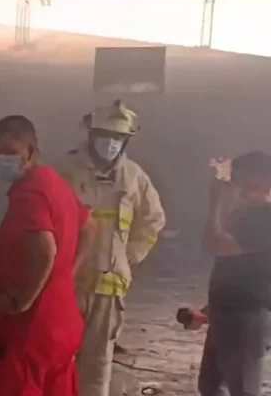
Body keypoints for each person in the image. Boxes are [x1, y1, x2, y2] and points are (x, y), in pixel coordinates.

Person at [56, 100, 165, 396]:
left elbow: (153, 220)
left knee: (96, 367)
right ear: (91, 134)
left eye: (118, 137)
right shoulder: (64, 170)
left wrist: (128, 258)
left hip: (109, 288)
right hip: (66, 284)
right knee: (56, 360)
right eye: (105, 134)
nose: (111, 142)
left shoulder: (134, 176)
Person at [0, 115, 90, 396]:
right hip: (61, 326)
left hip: (26, 333)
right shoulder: (55, 183)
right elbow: (90, 227)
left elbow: (45, 250)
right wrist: (65, 275)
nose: (1, 158)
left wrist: (21, 301)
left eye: (9, 151)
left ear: (29, 151)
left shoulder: (29, 194)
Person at [191, 151, 271, 396]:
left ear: (258, 179)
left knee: (242, 389)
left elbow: (217, 245)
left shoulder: (268, 218)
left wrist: (216, 203)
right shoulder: (243, 215)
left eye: (238, 177)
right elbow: (228, 266)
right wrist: (208, 311)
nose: (234, 184)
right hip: (228, 312)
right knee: (210, 385)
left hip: (247, 317)